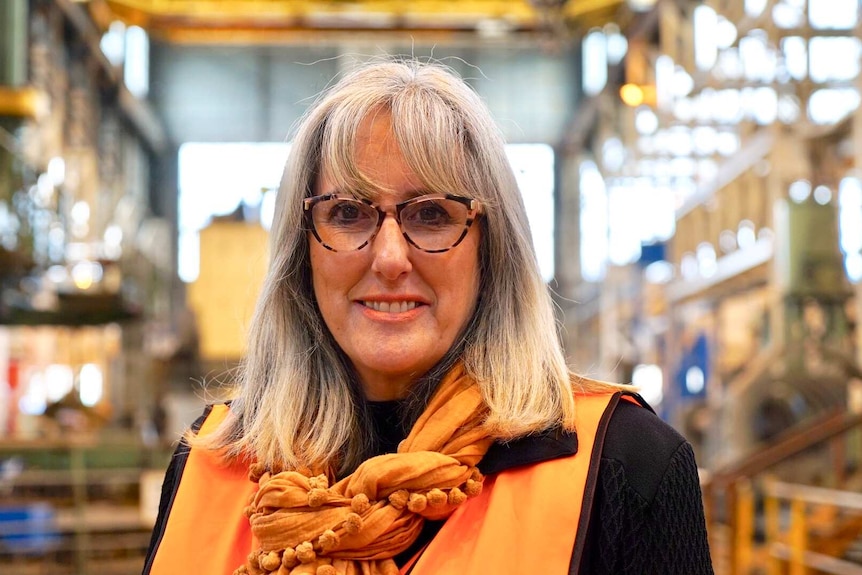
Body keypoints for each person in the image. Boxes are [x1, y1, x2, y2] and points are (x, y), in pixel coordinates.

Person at [143, 58, 714, 575]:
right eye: (347, 212)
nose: (390, 258)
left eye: (432, 214)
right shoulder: (207, 463)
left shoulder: (627, 469)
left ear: (491, 249)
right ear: (303, 249)